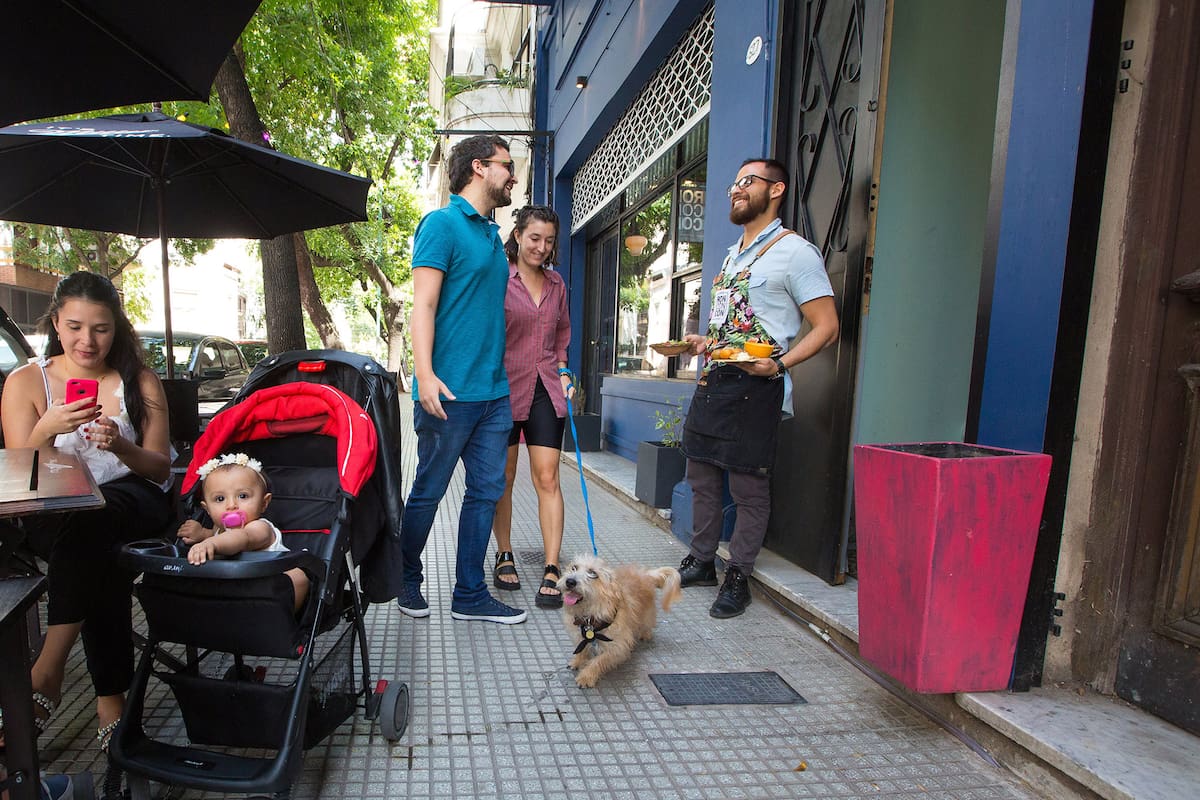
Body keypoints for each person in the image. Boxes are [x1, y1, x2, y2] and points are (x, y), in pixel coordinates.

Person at [0, 271, 173, 752]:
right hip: (53, 509)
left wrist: (119, 444)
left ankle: (47, 670)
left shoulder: (138, 380)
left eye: (100, 328)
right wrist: (49, 428)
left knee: (95, 521)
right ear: (56, 323)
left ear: (115, 327)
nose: (87, 340)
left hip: (132, 496)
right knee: (99, 556)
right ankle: (110, 699)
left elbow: (160, 470)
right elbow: (18, 471)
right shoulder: (25, 382)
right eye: (74, 326)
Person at [678, 158, 840, 619]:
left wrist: (780, 365)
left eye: (746, 181)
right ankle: (703, 559)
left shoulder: (796, 252)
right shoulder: (734, 256)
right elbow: (736, 326)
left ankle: (738, 575)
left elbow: (826, 326)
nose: (735, 189)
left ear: (777, 190)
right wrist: (705, 342)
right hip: (714, 381)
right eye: (734, 182)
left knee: (748, 488)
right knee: (702, 478)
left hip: (756, 387)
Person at [398, 134, 527, 624]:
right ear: (479, 167)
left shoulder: (493, 237)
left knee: (486, 492)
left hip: (494, 393)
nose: (511, 175)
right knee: (429, 489)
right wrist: (424, 374)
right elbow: (424, 306)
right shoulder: (442, 224)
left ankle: (469, 594)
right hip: (448, 392)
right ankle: (406, 577)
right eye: (506, 166)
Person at [490, 205, 573, 609]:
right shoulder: (499, 279)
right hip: (503, 387)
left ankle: (553, 565)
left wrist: (565, 371)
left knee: (548, 478)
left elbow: (561, 336)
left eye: (549, 240)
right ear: (519, 235)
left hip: (545, 388)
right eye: (535, 238)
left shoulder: (557, 285)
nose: (541, 247)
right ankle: (504, 553)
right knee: (502, 477)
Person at [178, 452, 309, 611]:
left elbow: (241, 538)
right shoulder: (218, 531)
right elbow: (221, 537)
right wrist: (203, 534)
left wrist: (210, 543)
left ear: (264, 503)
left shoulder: (260, 528)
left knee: (296, 576)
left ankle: (284, 619)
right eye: (220, 499)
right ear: (207, 509)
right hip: (239, 595)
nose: (232, 505)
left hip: (270, 594)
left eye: (242, 496)